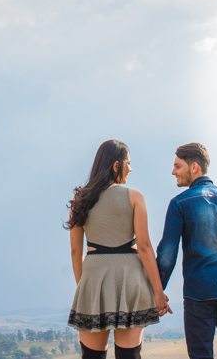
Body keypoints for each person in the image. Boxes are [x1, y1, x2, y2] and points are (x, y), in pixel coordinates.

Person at [66, 139, 172, 359]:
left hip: (95, 280)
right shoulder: (134, 197)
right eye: (128, 163)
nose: (130, 168)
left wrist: (84, 288)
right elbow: (144, 247)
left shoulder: (79, 201)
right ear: (116, 166)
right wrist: (159, 292)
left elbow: (76, 252)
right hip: (131, 281)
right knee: (129, 355)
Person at [155, 142, 217, 359]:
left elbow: (167, 254)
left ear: (194, 167)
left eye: (177, 166)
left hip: (198, 295)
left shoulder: (179, 204)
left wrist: (157, 291)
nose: (173, 172)